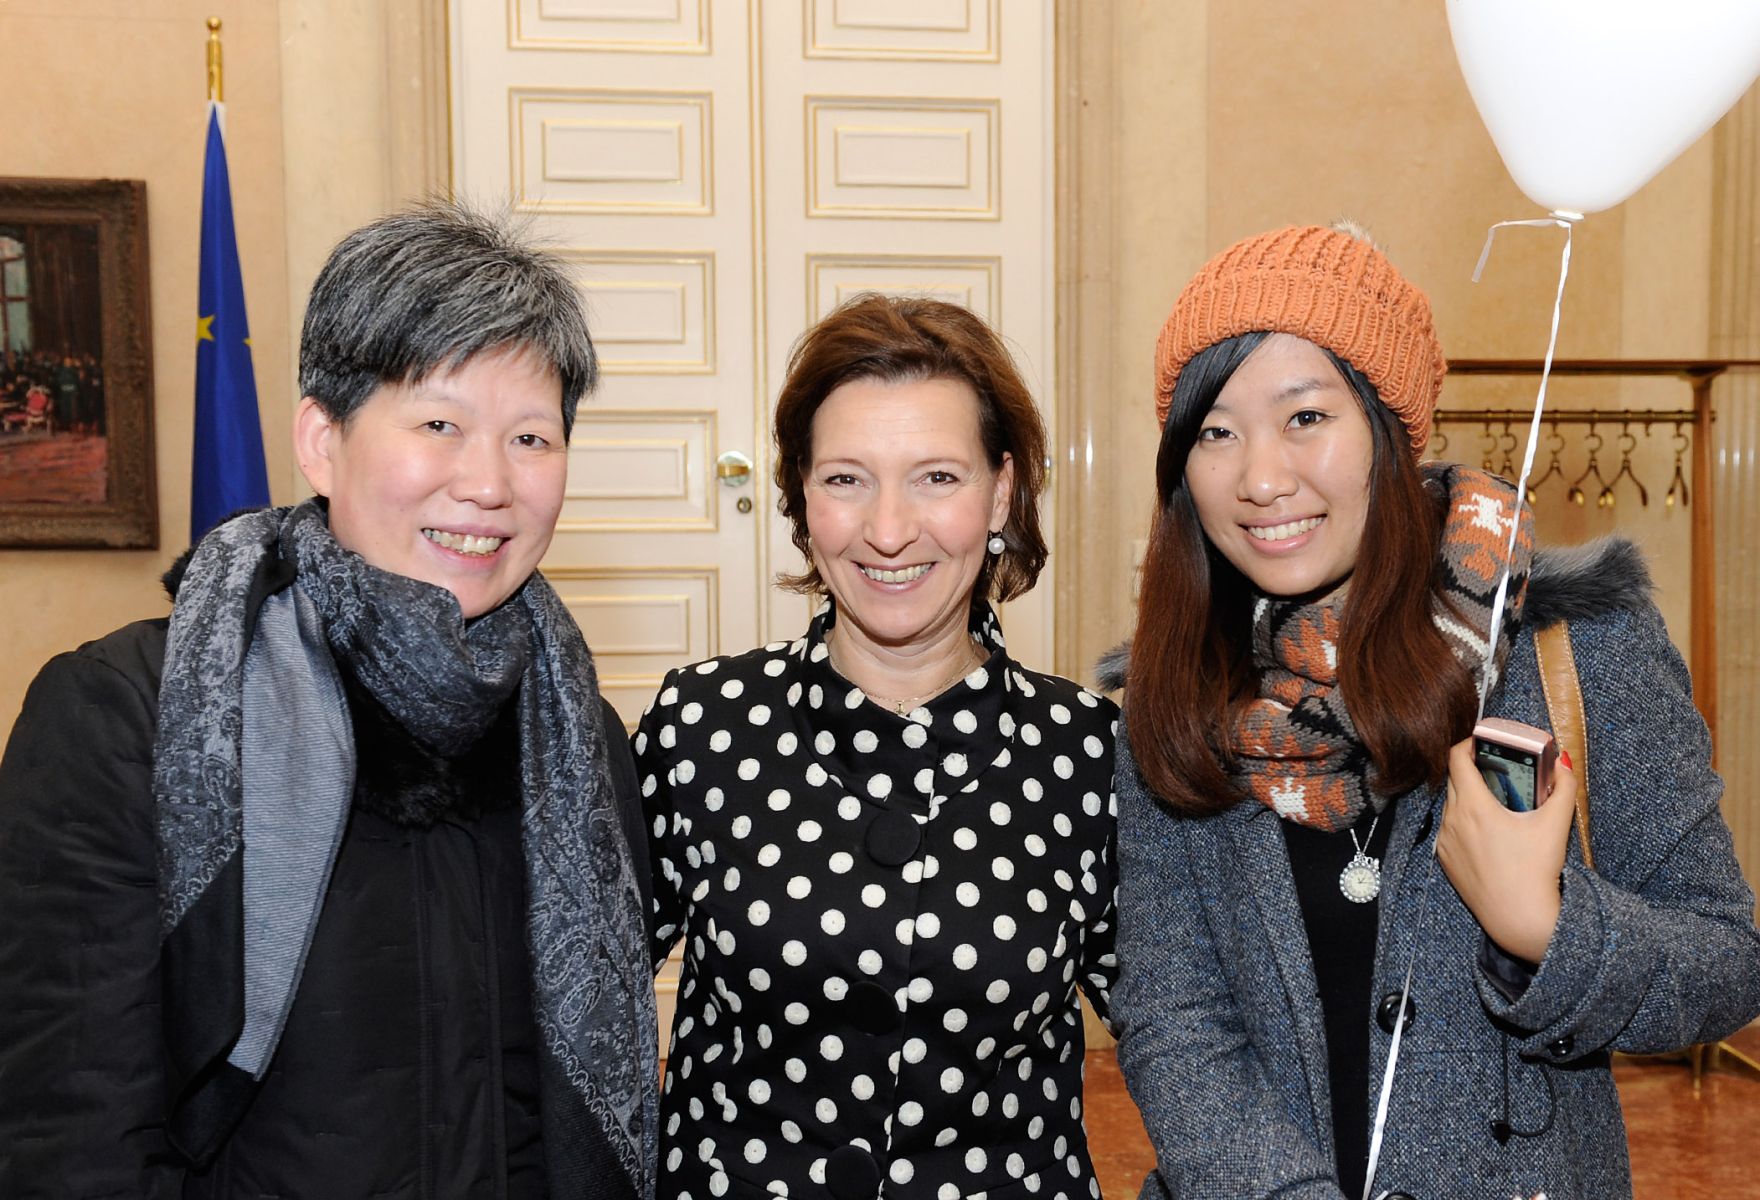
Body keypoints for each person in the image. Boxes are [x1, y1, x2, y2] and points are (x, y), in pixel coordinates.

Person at [0, 202, 657, 1199]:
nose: (488, 483)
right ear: (322, 438)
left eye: (531, 437)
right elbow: (73, 1133)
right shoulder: (127, 714)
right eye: (439, 423)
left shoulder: (574, 733)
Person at [1105, 223, 1760, 1200]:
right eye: (1214, 430)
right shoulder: (1168, 699)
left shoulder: (1573, 646)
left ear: (1386, 424)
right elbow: (1170, 1010)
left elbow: (1723, 962)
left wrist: (1545, 929)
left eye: (1304, 417)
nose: (1259, 478)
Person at [635, 294, 1120, 1200]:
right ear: (801, 495)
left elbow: (1185, 1025)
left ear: (1002, 491)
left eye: (937, 477)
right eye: (847, 479)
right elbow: (575, 992)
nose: (889, 530)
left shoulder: (1089, 755)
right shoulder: (701, 725)